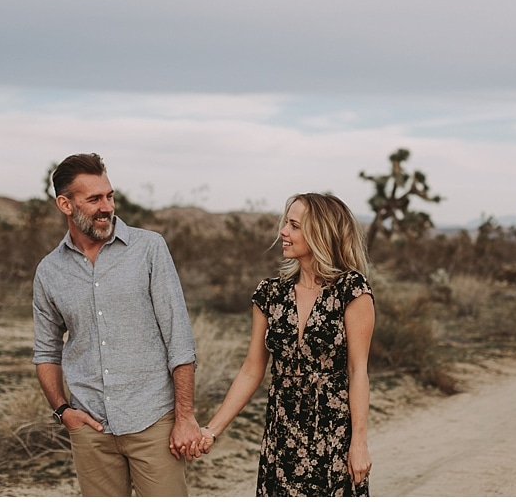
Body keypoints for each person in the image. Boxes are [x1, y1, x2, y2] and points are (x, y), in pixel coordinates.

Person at [32, 153, 209, 496]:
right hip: (90, 427)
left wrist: (185, 417)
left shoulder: (149, 248)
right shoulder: (49, 271)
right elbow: (45, 351)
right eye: (94, 199)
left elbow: (179, 339)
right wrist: (62, 411)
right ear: (65, 204)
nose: (106, 207)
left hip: (153, 420)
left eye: (109, 196)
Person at [195, 192, 375, 495]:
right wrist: (212, 430)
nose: (283, 232)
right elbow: (252, 370)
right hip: (281, 439)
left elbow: (359, 372)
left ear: (320, 233)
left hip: (333, 438)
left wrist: (358, 444)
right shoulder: (270, 294)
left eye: (294, 225)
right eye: (286, 223)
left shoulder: (352, 290)